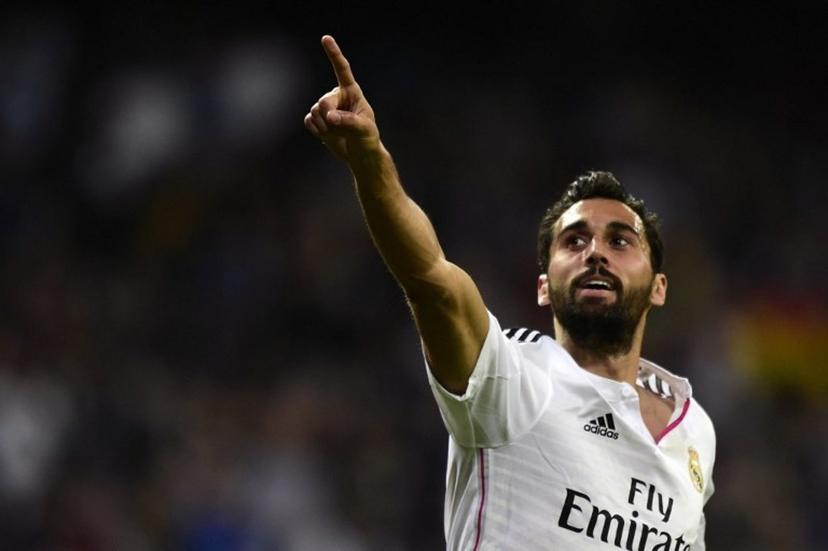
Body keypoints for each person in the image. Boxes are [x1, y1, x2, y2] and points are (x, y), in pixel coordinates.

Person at [304, 35, 715, 550]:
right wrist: (371, 162)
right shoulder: (515, 378)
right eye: (575, 241)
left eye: (620, 240)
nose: (595, 252)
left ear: (658, 288)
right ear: (543, 286)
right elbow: (432, 279)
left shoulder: (693, 426)